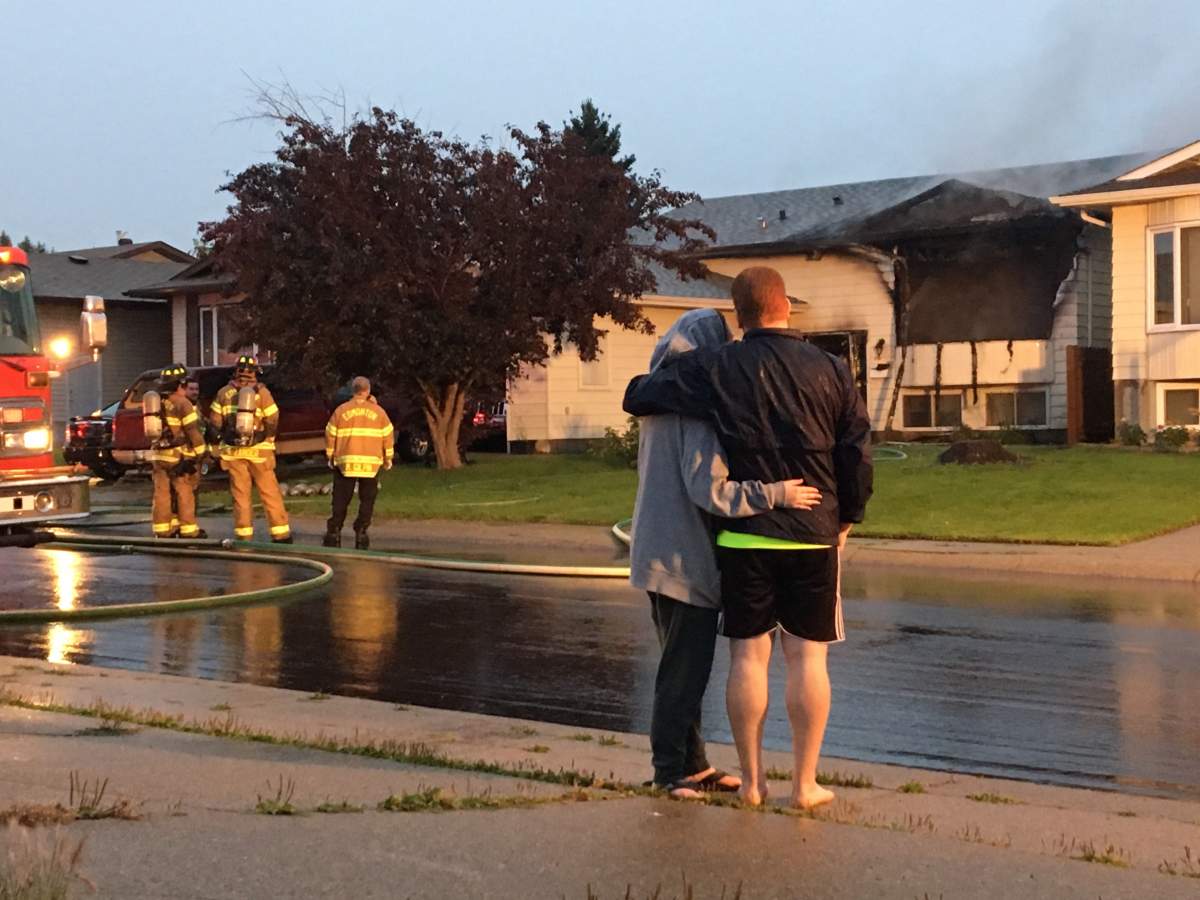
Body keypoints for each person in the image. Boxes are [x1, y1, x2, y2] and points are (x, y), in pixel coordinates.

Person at [624, 266, 873, 809]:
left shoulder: (712, 374)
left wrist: (643, 387)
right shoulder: (831, 369)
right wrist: (841, 514)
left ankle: (749, 781)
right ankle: (796, 783)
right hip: (795, 533)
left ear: (741, 312)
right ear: (785, 303)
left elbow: (638, 396)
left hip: (731, 541)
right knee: (801, 660)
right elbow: (853, 451)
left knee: (740, 661)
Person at [630, 309, 823, 800]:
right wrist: (774, 494)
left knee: (682, 664)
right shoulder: (694, 408)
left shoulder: (656, 395)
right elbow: (709, 490)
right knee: (684, 671)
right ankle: (669, 769)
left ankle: (692, 765)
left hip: (655, 548)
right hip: (683, 554)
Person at [209, 355, 292, 543]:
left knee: (240, 495)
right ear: (254, 372)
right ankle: (280, 534)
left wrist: (225, 436)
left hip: (233, 453)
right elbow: (273, 418)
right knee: (269, 493)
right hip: (259, 453)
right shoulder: (262, 393)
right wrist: (264, 436)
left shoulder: (223, 393)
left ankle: (243, 534)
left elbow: (214, 422)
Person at [323, 376, 395, 549]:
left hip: (346, 463)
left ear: (353, 391)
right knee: (367, 500)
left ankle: (334, 531)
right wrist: (388, 459)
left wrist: (330, 456)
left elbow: (330, 434)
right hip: (370, 465)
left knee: (340, 500)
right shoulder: (379, 412)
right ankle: (361, 531)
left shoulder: (341, 411)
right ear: (368, 391)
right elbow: (388, 436)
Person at [150, 364, 208, 539]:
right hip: (177, 455)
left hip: (158, 454)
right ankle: (189, 530)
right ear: (180, 385)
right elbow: (192, 431)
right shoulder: (183, 403)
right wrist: (201, 453)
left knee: (162, 492)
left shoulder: (158, 402)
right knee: (184, 491)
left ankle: (163, 529)